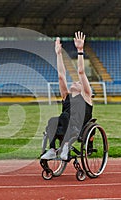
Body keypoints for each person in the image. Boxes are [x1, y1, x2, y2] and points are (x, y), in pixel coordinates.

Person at [41, 31, 93, 161]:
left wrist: (80, 50)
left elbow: (81, 72)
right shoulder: (66, 96)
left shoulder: (86, 96)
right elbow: (61, 75)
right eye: (74, 82)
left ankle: (65, 146)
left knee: (64, 116)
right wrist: (58, 54)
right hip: (65, 124)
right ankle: (53, 149)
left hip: (78, 126)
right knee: (53, 120)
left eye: (78, 83)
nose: (75, 82)